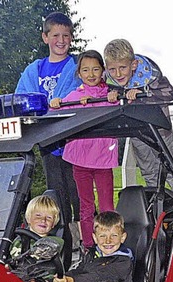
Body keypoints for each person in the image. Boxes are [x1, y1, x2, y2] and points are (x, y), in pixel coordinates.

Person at [15, 12, 82, 239]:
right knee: (56, 192)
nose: (61, 40)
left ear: (71, 38)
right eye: (55, 35)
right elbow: (20, 99)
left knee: (78, 192)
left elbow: (90, 91)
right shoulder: (34, 70)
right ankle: (62, 239)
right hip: (47, 141)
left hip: (74, 139)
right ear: (45, 37)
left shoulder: (78, 68)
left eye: (66, 35)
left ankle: (86, 240)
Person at [50, 50, 119, 248]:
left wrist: (114, 98)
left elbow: (120, 104)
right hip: (80, 160)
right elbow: (57, 109)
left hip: (103, 159)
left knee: (107, 206)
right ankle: (88, 245)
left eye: (96, 69)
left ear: (103, 71)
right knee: (85, 206)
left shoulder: (109, 94)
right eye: (85, 70)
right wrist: (56, 103)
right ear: (79, 73)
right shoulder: (74, 95)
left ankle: (110, 244)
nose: (91, 74)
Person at [103, 39, 173, 192]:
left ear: (134, 65)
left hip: (160, 130)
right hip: (137, 132)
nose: (118, 74)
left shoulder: (150, 75)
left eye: (123, 67)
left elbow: (171, 93)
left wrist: (143, 95)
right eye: (112, 69)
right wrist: (112, 96)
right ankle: (158, 205)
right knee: (148, 169)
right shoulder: (109, 81)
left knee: (170, 168)